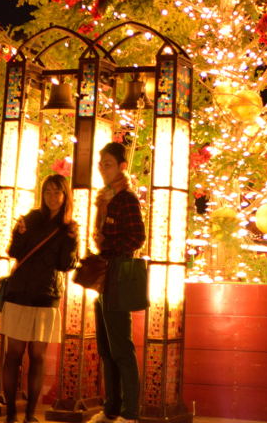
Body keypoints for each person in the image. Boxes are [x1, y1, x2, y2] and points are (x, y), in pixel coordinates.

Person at [0, 174, 77, 423]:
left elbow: (66, 265)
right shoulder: (30, 218)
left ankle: (31, 414)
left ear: (65, 196)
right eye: (48, 192)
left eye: (57, 192)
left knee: (38, 357)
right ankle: (11, 412)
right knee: (13, 354)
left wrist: (72, 242)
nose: (52, 197)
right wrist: (19, 233)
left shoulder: (68, 228)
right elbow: (14, 252)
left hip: (46, 296)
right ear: (42, 195)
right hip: (20, 292)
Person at [89, 141, 146, 423]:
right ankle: (111, 409)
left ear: (122, 167)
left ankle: (130, 413)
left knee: (121, 347)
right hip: (103, 276)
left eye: (108, 164)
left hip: (118, 275)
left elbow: (137, 238)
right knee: (105, 347)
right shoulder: (105, 198)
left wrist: (107, 241)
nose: (102, 168)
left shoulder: (126, 199)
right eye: (100, 163)